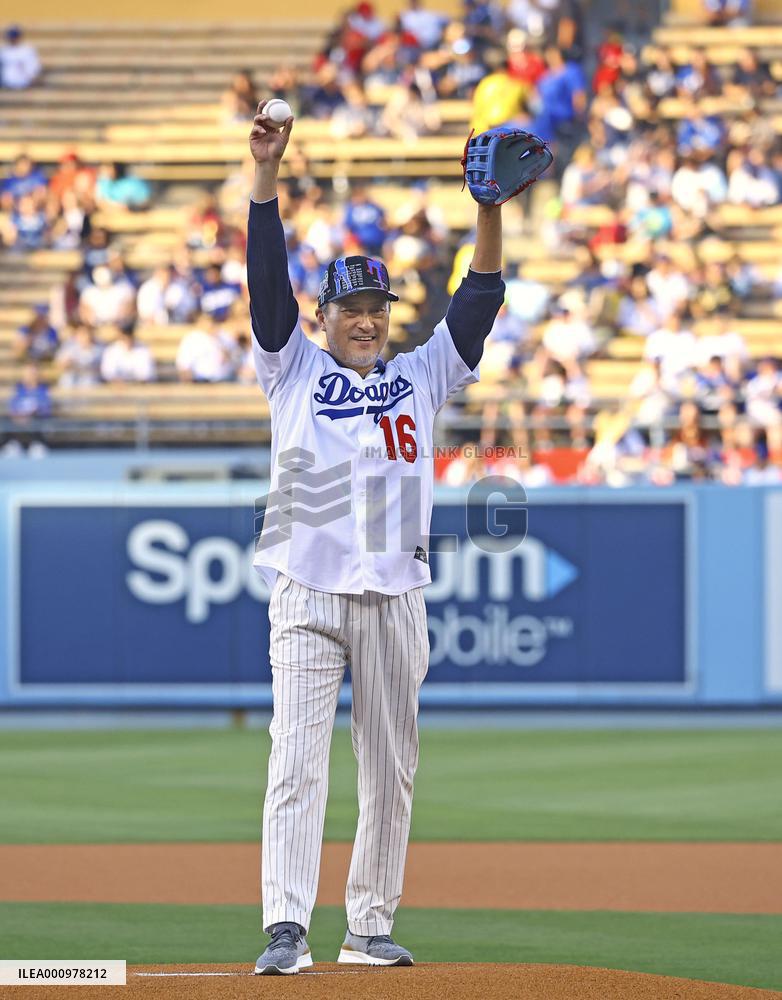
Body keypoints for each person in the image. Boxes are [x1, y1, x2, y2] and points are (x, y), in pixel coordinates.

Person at [248, 99, 505, 974]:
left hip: (396, 594)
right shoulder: (292, 368)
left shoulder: (419, 376)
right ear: (323, 316)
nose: (365, 317)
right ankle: (287, 925)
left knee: (390, 773)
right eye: (351, 306)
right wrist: (266, 173)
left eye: (376, 306)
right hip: (308, 589)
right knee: (296, 763)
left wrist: (489, 213)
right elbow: (262, 270)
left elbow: (480, 298)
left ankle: (368, 927)